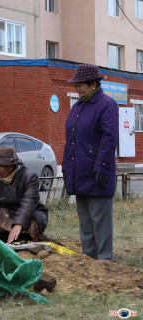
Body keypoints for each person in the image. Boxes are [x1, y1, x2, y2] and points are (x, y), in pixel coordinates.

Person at [63, 64, 118, 261]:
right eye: (76, 85)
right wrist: (68, 168)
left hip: (97, 172)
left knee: (100, 219)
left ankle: (104, 259)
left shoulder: (106, 104)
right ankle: (88, 257)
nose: (77, 89)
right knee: (85, 220)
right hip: (80, 172)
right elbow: (72, 140)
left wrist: (102, 166)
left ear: (93, 84)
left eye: (80, 85)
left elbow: (109, 137)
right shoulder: (78, 106)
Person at [0, 146, 48, 243]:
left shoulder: (29, 177)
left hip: (31, 214)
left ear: (10, 167)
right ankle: (8, 239)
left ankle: (27, 238)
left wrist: (18, 225)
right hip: (8, 214)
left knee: (29, 224)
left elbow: (28, 203)